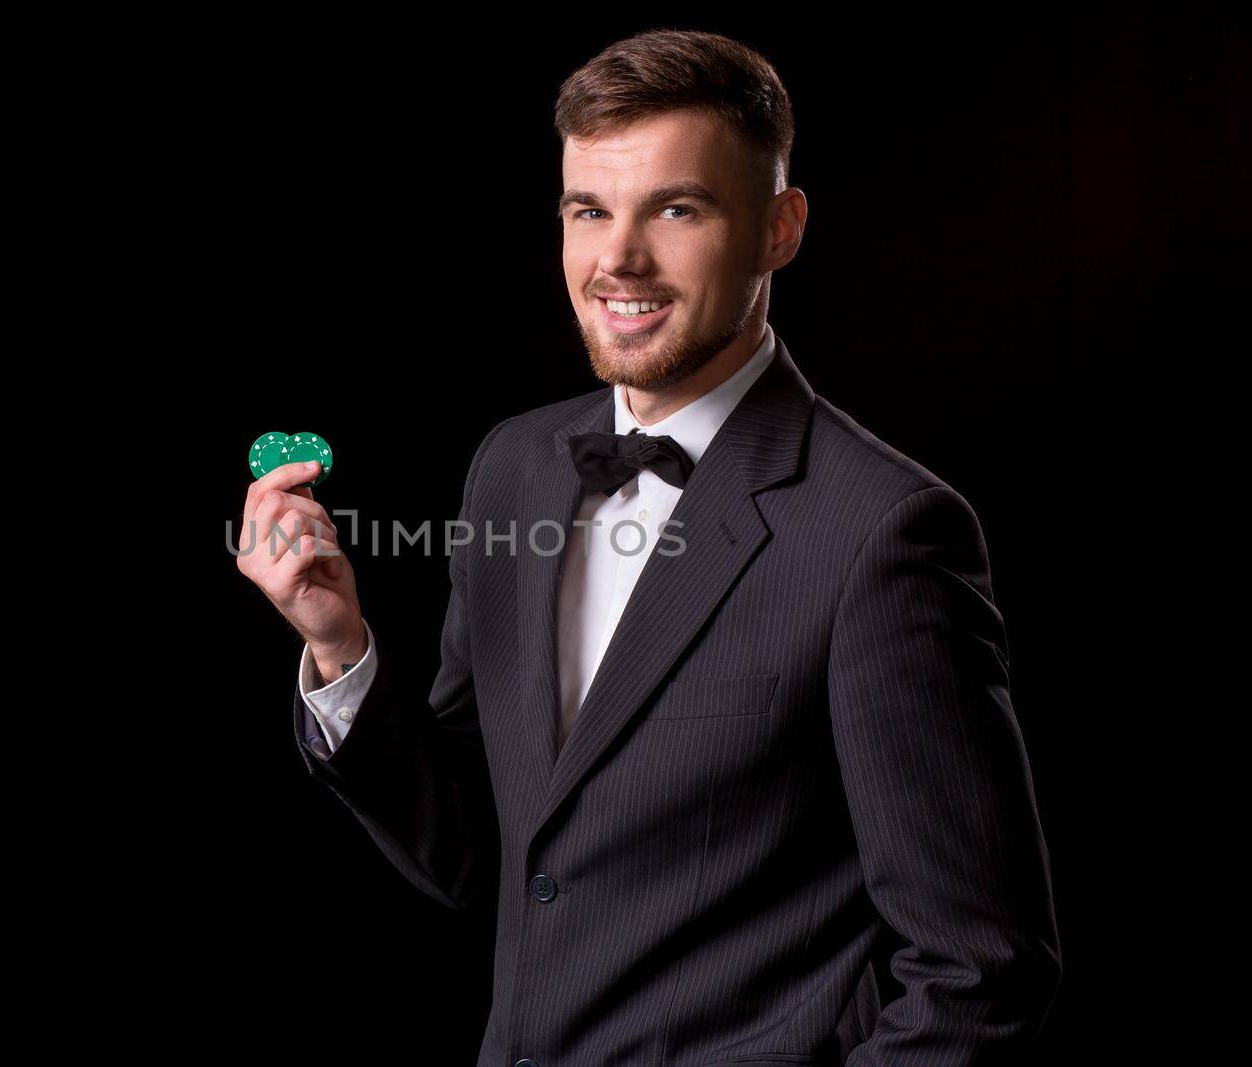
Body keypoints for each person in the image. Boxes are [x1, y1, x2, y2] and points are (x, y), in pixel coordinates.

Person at [237, 29, 1060, 1067]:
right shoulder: (513, 463)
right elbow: (484, 852)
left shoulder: (885, 533)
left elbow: (980, 970)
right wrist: (339, 648)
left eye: (677, 208)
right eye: (589, 210)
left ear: (778, 227)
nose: (618, 259)